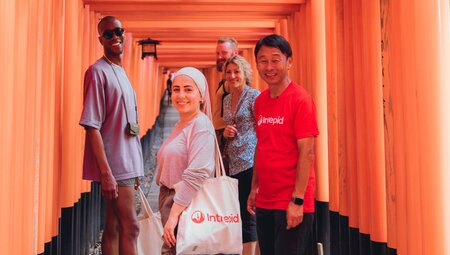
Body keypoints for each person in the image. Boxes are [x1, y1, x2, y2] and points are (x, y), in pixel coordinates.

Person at [247, 34, 319, 255]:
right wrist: (253, 188)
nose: (269, 66)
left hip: (291, 200)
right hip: (266, 198)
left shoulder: (300, 100)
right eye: (263, 60)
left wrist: (297, 200)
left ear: (289, 62)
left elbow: (306, 152)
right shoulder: (260, 101)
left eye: (275, 59)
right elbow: (262, 146)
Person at [79, 16, 144, 255]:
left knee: (114, 225)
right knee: (132, 227)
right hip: (116, 164)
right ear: (100, 39)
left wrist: (138, 167)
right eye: (108, 34)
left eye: (119, 31)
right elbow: (91, 125)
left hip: (128, 162)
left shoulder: (121, 71)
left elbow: (131, 124)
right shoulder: (97, 72)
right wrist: (106, 174)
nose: (115, 37)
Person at [156, 67, 216, 255]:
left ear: (201, 95)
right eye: (176, 89)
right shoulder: (183, 123)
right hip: (171, 199)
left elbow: (198, 173)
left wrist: (173, 215)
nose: (181, 95)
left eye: (188, 89)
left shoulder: (200, 125)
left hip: (184, 204)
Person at [222, 55, 260, 255]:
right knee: (236, 212)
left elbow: (263, 129)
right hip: (232, 162)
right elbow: (225, 125)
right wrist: (225, 132)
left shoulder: (254, 96)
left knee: (249, 213)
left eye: (236, 71)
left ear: (245, 73)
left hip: (251, 161)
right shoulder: (227, 100)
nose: (232, 75)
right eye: (229, 72)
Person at [212, 37, 239, 150]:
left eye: (224, 53)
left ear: (235, 53)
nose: (219, 57)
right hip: (221, 136)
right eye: (217, 53)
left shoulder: (234, 80)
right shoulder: (225, 80)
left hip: (228, 139)